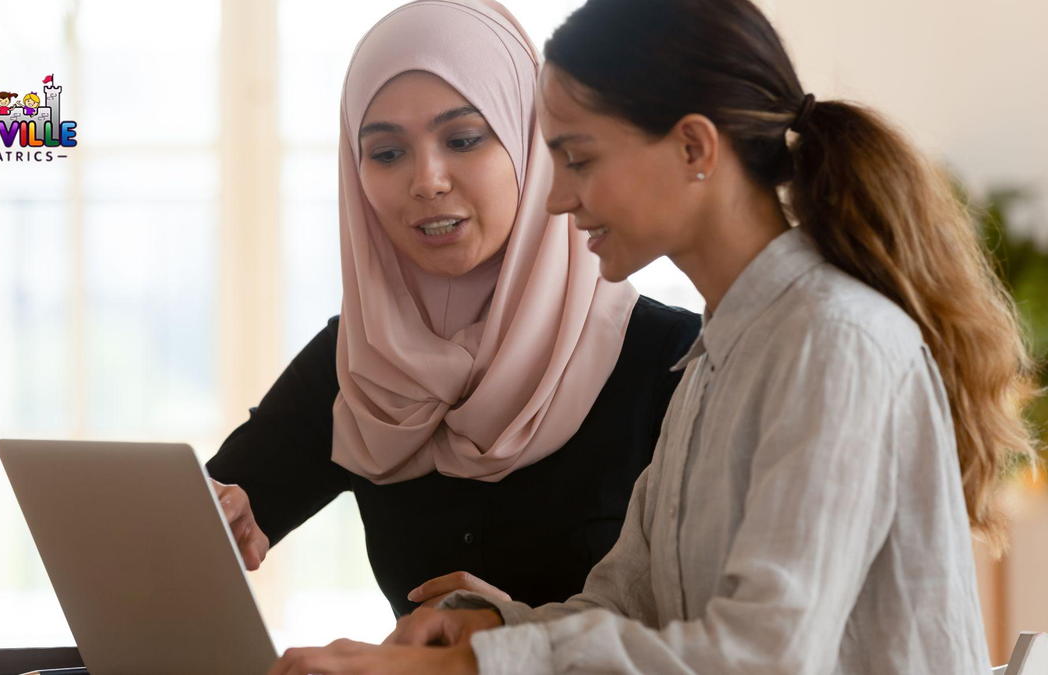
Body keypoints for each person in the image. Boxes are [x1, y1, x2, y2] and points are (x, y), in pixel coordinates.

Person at [268, 0, 1040, 673]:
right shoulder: (713, 355)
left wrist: (475, 666)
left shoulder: (833, 341)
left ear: (695, 148)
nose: (559, 198)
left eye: (578, 158)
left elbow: (765, 657)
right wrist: (488, 624)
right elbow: (628, 602)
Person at [205, 0, 698, 620]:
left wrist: (514, 636)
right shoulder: (361, 360)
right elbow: (217, 511)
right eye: (386, 153)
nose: (426, 180)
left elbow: (716, 633)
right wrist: (214, 516)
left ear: (533, 143)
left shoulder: (676, 363)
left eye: (463, 139)